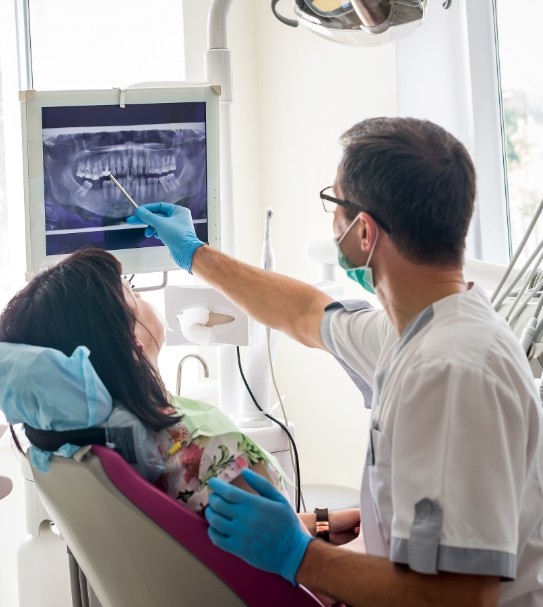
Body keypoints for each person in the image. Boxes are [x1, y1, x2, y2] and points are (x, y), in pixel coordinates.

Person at [126, 116, 543, 607]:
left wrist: (299, 554)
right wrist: (194, 253)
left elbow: (459, 596)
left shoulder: (450, 372)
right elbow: (303, 312)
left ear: (364, 232)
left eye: (334, 202)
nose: (332, 218)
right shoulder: (415, 330)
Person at [0, 248, 286, 513]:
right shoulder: (212, 455)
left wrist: (326, 520)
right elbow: (291, 550)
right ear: (133, 342)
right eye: (133, 294)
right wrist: (325, 526)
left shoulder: (70, 450)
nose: (143, 299)